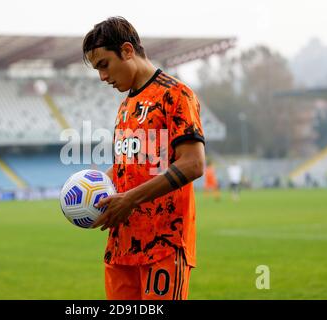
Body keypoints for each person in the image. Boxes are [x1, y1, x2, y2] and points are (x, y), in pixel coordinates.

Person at [83, 17, 205, 300]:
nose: (102, 77)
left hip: (164, 244)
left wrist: (131, 199)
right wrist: (94, 187)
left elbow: (193, 163)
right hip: (120, 247)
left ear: (127, 51)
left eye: (104, 65)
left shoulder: (175, 95)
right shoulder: (126, 105)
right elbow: (132, 165)